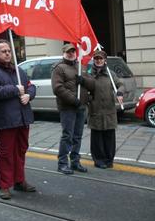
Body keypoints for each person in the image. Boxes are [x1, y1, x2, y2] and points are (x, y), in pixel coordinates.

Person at [0, 40, 37, 200]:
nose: (7, 53)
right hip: (4, 120)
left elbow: (30, 85)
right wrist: (14, 90)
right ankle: (5, 185)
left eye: (8, 51)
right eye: (3, 51)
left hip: (22, 118)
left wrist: (29, 94)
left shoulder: (18, 70)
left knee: (21, 150)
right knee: (5, 153)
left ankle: (19, 180)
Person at [51, 43, 94, 175]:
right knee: (67, 135)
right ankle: (62, 163)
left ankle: (75, 161)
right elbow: (58, 88)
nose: (71, 53)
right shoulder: (58, 68)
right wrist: (73, 100)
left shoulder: (81, 66)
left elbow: (92, 84)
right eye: (68, 52)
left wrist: (84, 81)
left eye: (73, 51)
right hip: (68, 107)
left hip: (81, 107)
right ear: (64, 53)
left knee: (77, 136)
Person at [87, 50, 124, 169]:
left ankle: (109, 159)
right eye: (96, 58)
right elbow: (83, 89)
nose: (98, 60)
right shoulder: (89, 73)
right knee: (97, 137)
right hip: (95, 110)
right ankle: (98, 160)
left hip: (109, 111)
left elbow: (121, 85)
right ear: (94, 60)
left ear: (104, 60)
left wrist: (119, 93)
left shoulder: (110, 73)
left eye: (101, 58)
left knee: (109, 136)